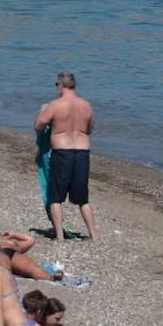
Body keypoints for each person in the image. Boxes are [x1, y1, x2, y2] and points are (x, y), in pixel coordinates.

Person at [34, 71, 97, 241]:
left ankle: (60, 236)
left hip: (62, 153)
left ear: (60, 85)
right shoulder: (86, 105)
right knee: (83, 198)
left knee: (55, 196)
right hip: (82, 152)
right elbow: (89, 130)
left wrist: (41, 114)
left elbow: (38, 125)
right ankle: (93, 235)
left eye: (56, 84)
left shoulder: (55, 105)